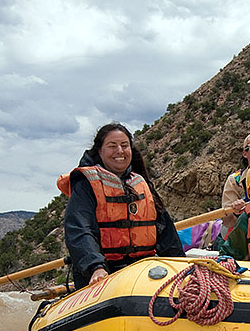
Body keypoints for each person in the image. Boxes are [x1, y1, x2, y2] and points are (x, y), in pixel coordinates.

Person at [59, 123, 184, 289]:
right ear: (100, 151)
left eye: (124, 146)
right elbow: (80, 229)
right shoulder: (86, 184)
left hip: (142, 271)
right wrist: (96, 267)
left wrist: (180, 264)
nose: (120, 151)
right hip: (103, 273)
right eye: (112, 146)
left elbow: (166, 232)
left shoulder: (141, 183)